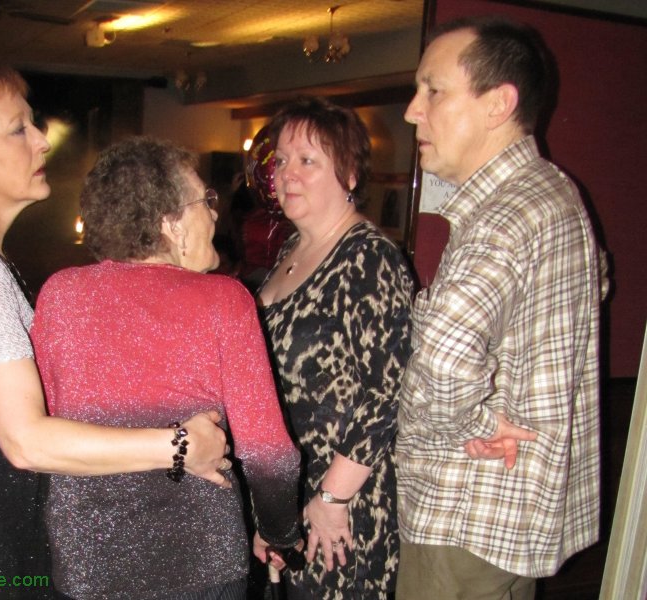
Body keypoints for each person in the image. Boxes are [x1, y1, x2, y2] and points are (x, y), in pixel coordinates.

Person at [0, 59, 228, 599]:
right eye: (18, 128)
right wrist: (181, 447)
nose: (42, 141)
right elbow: (24, 440)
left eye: (33, 123)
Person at [29, 136, 302, 600]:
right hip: (200, 563)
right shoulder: (224, 301)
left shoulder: (59, 295)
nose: (216, 214)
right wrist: (280, 534)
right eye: (205, 201)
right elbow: (269, 453)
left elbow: (52, 431)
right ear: (171, 223)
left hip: (90, 564)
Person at [396, 16, 606, 600]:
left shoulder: (501, 217)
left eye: (433, 90)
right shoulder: (555, 194)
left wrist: (481, 422)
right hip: (512, 516)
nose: (414, 110)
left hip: (463, 514)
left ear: (498, 104)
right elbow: (598, 284)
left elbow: (440, 361)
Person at [256, 96, 414, 600]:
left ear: (348, 174)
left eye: (308, 161)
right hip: (297, 485)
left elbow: (390, 392)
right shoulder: (291, 250)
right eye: (280, 161)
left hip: (344, 500)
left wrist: (331, 496)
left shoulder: (369, 258)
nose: (287, 174)